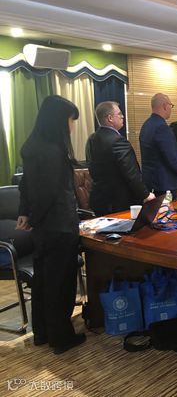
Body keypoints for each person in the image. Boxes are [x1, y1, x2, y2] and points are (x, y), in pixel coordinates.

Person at [16, 95, 87, 354]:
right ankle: (61, 338)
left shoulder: (33, 145)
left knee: (44, 282)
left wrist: (26, 214)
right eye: (71, 120)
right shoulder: (53, 151)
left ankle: (43, 333)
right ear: (59, 120)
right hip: (59, 226)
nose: (72, 126)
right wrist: (34, 216)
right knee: (61, 284)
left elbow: (26, 185)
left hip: (44, 229)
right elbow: (48, 193)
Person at [86, 101, 155, 216]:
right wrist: (145, 195)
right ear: (110, 118)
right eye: (119, 114)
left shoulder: (91, 139)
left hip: (99, 200)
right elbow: (131, 173)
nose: (122, 116)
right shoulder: (118, 141)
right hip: (119, 201)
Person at [139, 93, 177, 198]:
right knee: (169, 208)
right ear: (165, 106)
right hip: (165, 184)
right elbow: (171, 157)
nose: (171, 109)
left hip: (150, 182)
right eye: (171, 106)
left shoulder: (146, 125)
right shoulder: (162, 127)